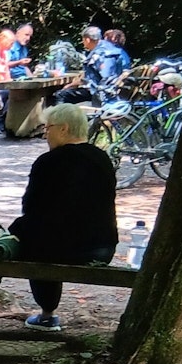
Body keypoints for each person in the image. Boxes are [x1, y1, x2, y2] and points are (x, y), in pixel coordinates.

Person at [9, 103, 118, 330]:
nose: (45, 134)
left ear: (64, 129)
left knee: (29, 232)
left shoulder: (48, 162)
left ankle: (47, 314)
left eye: (47, 128)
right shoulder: (103, 159)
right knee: (42, 232)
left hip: (66, 248)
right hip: (103, 247)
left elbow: (30, 207)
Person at [56, 26, 122, 105]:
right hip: (113, 90)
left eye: (83, 40)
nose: (83, 42)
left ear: (87, 40)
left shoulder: (97, 54)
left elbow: (87, 79)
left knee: (61, 95)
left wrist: (70, 85)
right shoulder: (110, 48)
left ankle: (60, 116)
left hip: (101, 94)